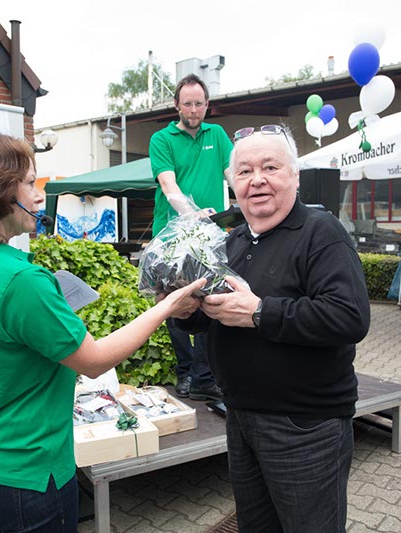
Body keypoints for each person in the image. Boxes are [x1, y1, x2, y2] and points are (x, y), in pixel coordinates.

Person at [0, 130, 205, 533]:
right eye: (27, 182)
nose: (39, 195)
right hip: (29, 473)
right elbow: (94, 362)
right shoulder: (21, 280)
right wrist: (166, 307)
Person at [173, 125, 371, 532]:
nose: (257, 180)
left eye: (270, 167)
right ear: (232, 184)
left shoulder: (322, 233)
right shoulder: (232, 241)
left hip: (304, 424)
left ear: (294, 176)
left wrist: (261, 312)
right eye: (244, 171)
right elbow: (210, 318)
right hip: (241, 416)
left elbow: (349, 316)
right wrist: (181, 308)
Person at [148, 73, 233, 401]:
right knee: (176, 304)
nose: (194, 110)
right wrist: (190, 213)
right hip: (171, 235)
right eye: (188, 104)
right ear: (176, 105)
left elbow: (232, 173)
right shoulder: (162, 139)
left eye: (199, 104)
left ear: (207, 105)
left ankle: (202, 376)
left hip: (210, 236)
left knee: (211, 300)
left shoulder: (218, 135)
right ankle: (186, 374)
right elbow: (168, 184)